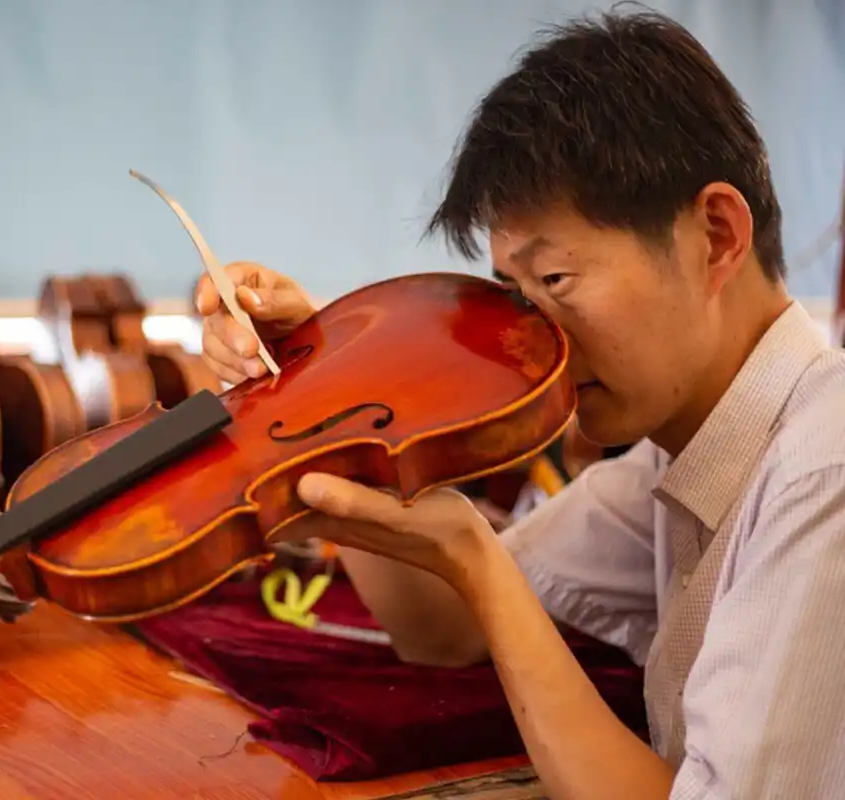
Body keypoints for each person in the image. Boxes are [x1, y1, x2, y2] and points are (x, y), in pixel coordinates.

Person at [195, 8, 845, 800]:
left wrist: (477, 558)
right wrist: (318, 390)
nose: (533, 345)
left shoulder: (825, 473)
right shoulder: (672, 464)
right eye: (515, 294)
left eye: (558, 281)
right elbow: (442, 630)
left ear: (715, 234)